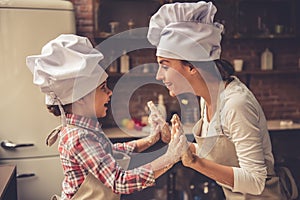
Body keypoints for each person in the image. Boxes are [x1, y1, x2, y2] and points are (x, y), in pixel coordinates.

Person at [147, 1, 298, 199]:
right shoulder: (208, 99)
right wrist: (175, 142)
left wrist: (195, 162)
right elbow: (213, 153)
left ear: (192, 67)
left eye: (165, 66)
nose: (159, 75)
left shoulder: (236, 104)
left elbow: (256, 181)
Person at [26, 34, 187, 200]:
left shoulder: (85, 130)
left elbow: (110, 152)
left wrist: (152, 139)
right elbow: (119, 181)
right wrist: (170, 158)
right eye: (103, 88)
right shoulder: (78, 137)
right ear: (80, 97)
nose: (110, 92)